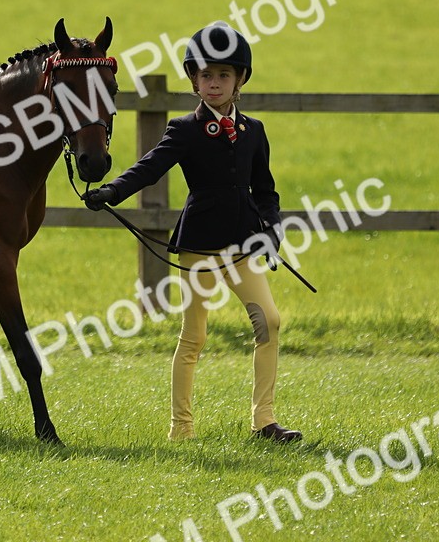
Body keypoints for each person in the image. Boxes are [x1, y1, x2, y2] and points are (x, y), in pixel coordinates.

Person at [83, 22, 302, 443]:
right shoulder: (185, 129)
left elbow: (267, 190)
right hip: (199, 246)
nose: (214, 83)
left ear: (240, 80)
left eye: (223, 75)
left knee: (269, 322)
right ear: (194, 81)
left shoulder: (254, 131)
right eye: (205, 76)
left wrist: (272, 232)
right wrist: (112, 190)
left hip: (242, 247)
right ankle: (181, 428)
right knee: (195, 335)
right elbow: (150, 167)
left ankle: (265, 421)